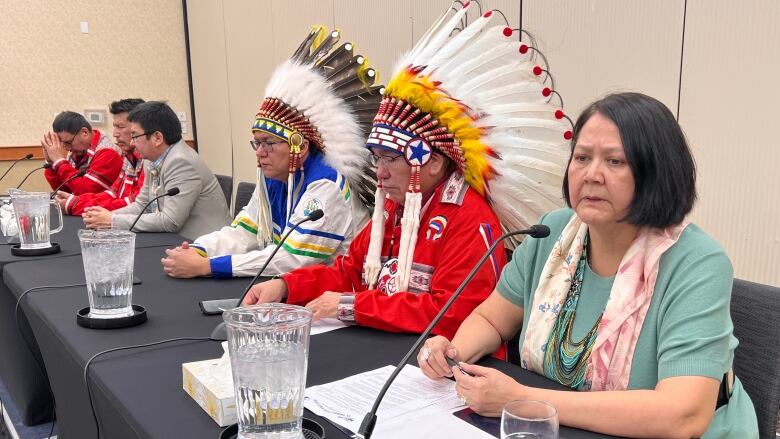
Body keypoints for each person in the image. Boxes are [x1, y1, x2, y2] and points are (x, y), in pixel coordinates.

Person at [419, 92, 758, 438]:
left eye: (615, 162)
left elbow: (682, 415)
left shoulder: (696, 263)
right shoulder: (551, 234)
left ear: (657, 173)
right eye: (581, 157)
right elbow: (491, 319)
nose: (591, 175)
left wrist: (522, 400)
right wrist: (454, 353)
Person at [243, 3, 571, 341]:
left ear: (434, 161)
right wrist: (284, 285)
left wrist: (351, 306)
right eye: (377, 159)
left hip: (442, 369)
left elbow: (450, 315)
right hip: (390, 349)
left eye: (391, 159)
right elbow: (349, 271)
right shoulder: (394, 208)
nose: (380, 174)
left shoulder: (470, 220)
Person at [160, 26, 380, 279]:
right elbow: (245, 230)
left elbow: (293, 259)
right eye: (257, 143)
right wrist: (200, 250)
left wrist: (210, 266)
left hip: (332, 293)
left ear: (301, 145)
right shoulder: (274, 177)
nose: (260, 153)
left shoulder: (326, 185)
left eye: (269, 143)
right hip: (291, 288)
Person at [82, 101, 231, 239]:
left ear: (157, 138)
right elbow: (142, 205)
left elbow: (170, 220)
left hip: (206, 246)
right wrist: (106, 216)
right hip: (174, 240)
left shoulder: (181, 162)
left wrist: (113, 220)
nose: (132, 143)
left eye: (135, 136)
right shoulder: (151, 160)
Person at [55, 99, 146, 215]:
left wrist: (59, 162)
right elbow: (113, 192)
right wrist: (76, 201)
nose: (114, 134)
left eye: (120, 127)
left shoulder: (108, 152)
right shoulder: (129, 156)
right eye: (115, 127)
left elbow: (133, 203)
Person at [41, 111, 123, 194]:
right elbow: (65, 191)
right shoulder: (78, 151)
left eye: (68, 142)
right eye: (63, 144)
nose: (67, 148)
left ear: (85, 132)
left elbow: (85, 191)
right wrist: (52, 164)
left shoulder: (108, 153)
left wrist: (60, 162)